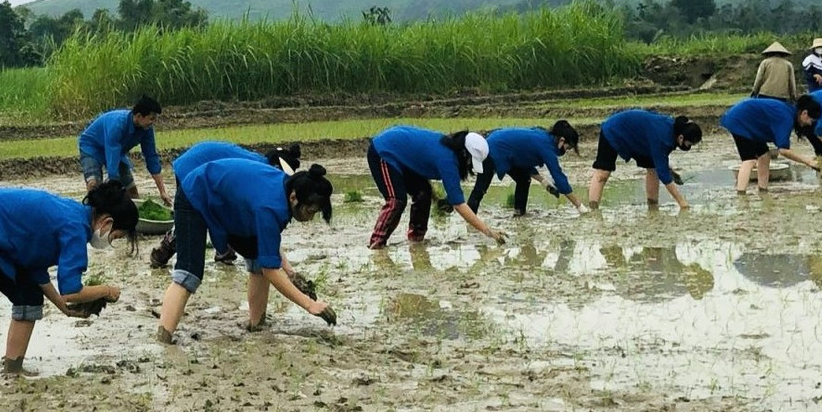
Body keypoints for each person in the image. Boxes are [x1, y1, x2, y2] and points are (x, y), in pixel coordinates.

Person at [0, 182, 139, 390]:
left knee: (29, 296)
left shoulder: (74, 215)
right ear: (107, 222)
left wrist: (63, 307)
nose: (111, 241)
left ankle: (12, 372)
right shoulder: (75, 228)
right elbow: (71, 290)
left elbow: (35, 268)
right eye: (116, 237)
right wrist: (107, 290)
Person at [157, 161, 337, 344]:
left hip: (229, 206)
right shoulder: (270, 207)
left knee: (258, 258)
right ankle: (163, 339)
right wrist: (310, 305)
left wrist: (290, 273)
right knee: (189, 273)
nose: (310, 218)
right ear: (294, 197)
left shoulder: (285, 189)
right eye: (310, 211)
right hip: (195, 194)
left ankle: (256, 326)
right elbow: (271, 270)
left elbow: (269, 248)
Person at [149, 142, 302, 269]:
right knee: (194, 214)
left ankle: (223, 251)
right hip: (193, 167)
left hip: (198, 164)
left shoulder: (260, 166)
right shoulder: (263, 174)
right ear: (277, 168)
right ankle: (165, 250)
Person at [367, 127, 506, 248]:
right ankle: (376, 244)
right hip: (383, 151)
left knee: (423, 194)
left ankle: (416, 240)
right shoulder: (447, 160)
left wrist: (438, 198)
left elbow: (450, 193)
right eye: (471, 162)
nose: (470, 167)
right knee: (396, 200)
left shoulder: (450, 153)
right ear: (465, 154)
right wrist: (489, 232)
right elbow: (459, 205)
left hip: (402, 152)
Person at [587, 110, 701, 210]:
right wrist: (682, 202)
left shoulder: (672, 131)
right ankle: (593, 209)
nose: (689, 146)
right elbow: (664, 174)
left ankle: (652, 206)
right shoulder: (662, 137)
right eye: (689, 143)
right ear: (681, 137)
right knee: (603, 171)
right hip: (614, 129)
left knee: (653, 169)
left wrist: (669, 170)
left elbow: (659, 163)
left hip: (640, 139)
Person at [467, 121, 586, 216]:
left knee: (524, 179)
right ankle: (469, 221)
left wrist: (544, 182)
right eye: (568, 148)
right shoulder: (546, 147)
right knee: (480, 189)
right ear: (561, 141)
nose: (566, 151)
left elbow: (523, 161)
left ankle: (519, 213)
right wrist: (580, 206)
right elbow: (559, 177)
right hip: (493, 149)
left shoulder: (543, 138)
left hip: (508, 152)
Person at [77, 95, 172, 204]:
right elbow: (112, 158)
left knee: (131, 191)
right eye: (151, 118)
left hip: (116, 152)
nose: (153, 122)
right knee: (94, 186)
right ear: (139, 116)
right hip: (92, 147)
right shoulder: (117, 124)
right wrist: (113, 185)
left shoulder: (146, 129)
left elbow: (151, 158)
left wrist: (162, 192)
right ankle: (92, 214)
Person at [719, 95, 822, 193]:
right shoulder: (786, 118)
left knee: (764, 155)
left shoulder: (788, 112)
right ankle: (741, 194)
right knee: (749, 160)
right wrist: (808, 161)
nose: (809, 124)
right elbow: (783, 150)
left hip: (750, 123)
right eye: (811, 120)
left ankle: (763, 190)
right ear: (804, 113)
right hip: (740, 121)